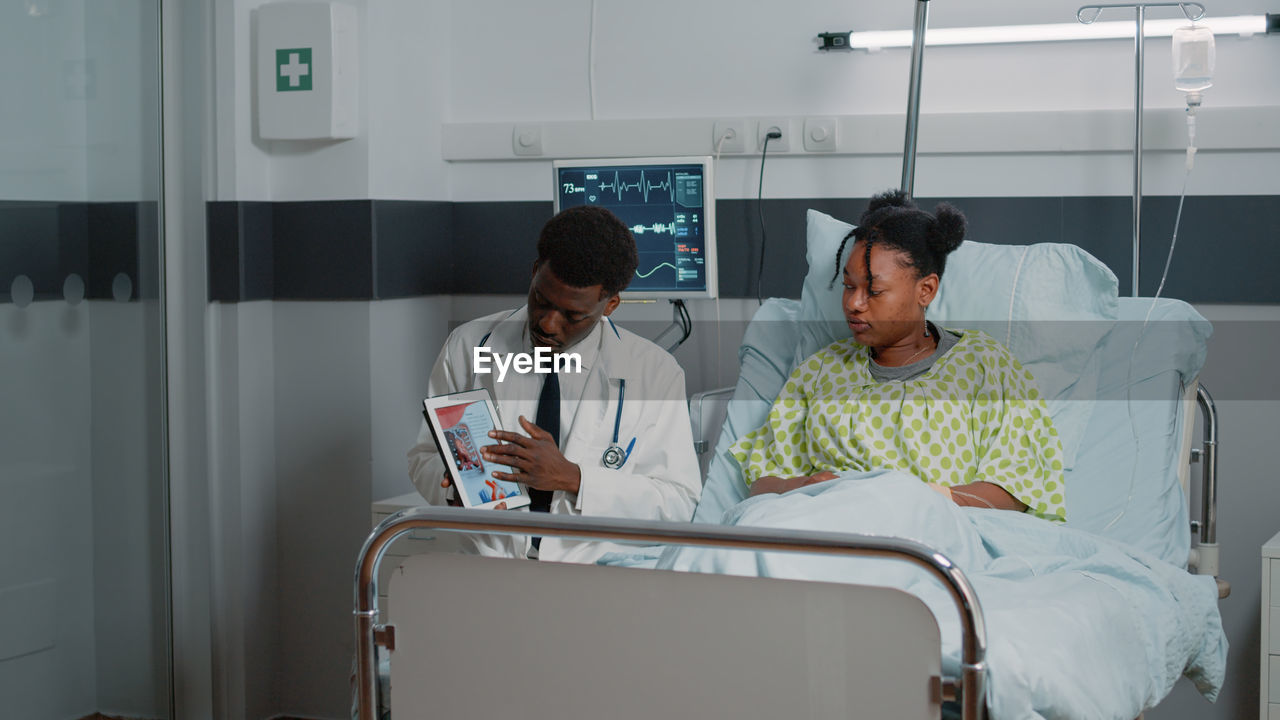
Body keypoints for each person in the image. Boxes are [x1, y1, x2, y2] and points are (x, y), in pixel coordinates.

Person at [731, 190, 1066, 522]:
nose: (854, 303)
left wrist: (916, 498)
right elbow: (763, 482)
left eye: (874, 291)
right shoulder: (819, 372)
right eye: (849, 286)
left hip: (932, 533)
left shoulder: (984, 365)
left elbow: (1015, 490)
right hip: (827, 525)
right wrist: (805, 485)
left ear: (926, 290)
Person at [407, 205, 702, 562]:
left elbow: (678, 504)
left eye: (573, 315)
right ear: (534, 273)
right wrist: (453, 489)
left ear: (610, 305)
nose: (548, 323)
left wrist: (573, 478)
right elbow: (424, 456)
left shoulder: (656, 373)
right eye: (540, 301)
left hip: (593, 573)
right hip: (489, 563)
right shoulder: (468, 346)